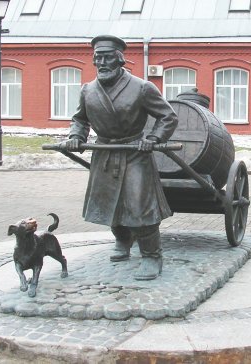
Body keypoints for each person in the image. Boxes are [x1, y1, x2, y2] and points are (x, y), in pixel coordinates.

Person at [63, 35, 178, 280]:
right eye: (97, 58)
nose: (101, 63)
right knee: (109, 204)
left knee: (139, 207)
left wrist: (154, 139)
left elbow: (168, 116)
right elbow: (80, 119)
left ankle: (151, 255)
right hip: (104, 153)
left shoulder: (142, 87)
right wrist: (76, 135)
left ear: (119, 59)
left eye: (107, 57)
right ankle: (123, 241)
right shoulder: (88, 90)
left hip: (135, 152)